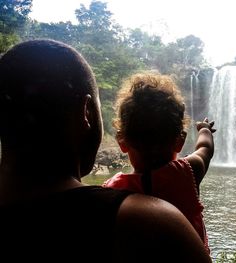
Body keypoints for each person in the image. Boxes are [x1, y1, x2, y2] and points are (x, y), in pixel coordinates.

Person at [0, 39, 212, 262]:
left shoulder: (116, 186)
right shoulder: (155, 224)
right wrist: (205, 130)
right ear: (87, 112)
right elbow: (204, 149)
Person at [103, 72, 215, 253]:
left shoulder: (112, 190)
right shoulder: (187, 172)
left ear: (122, 142)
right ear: (180, 141)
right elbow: (205, 150)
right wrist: (204, 130)